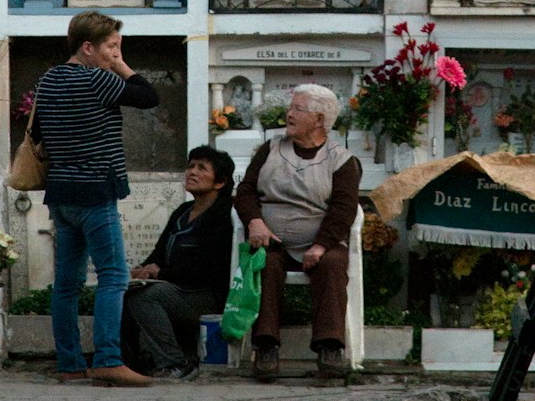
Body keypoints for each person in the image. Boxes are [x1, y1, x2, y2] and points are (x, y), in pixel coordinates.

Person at [33, 11, 159, 386]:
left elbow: (39, 129)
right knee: (114, 277)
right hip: (95, 192)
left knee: (66, 285)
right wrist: (122, 66)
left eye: (118, 49)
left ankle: (70, 364)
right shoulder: (98, 79)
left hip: (61, 193)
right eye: (111, 47)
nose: (115, 55)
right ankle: (107, 358)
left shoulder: (49, 79)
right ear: (87, 48)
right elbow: (148, 96)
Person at [235, 84, 360, 381]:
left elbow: (343, 210)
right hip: (270, 239)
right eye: (290, 108)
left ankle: (330, 348)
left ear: (319, 119)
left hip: (320, 242)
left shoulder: (342, 160)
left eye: (297, 109)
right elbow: (245, 191)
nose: (288, 114)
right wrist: (254, 221)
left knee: (332, 264)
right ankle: (265, 347)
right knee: (266, 263)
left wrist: (320, 246)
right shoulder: (270, 149)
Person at [122, 146, 235, 381]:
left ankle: (175, 363)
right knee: (125, 290)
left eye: (201, 168)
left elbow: (208, 270)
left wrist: (161, 273)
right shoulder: (183, 211)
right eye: (190, 166)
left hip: (204, 296)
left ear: (220, 182)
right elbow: (158, 253)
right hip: (177, 290)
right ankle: (131, 363)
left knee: (144, 297)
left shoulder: (223, 216)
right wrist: (142, 270)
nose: (192, 172)